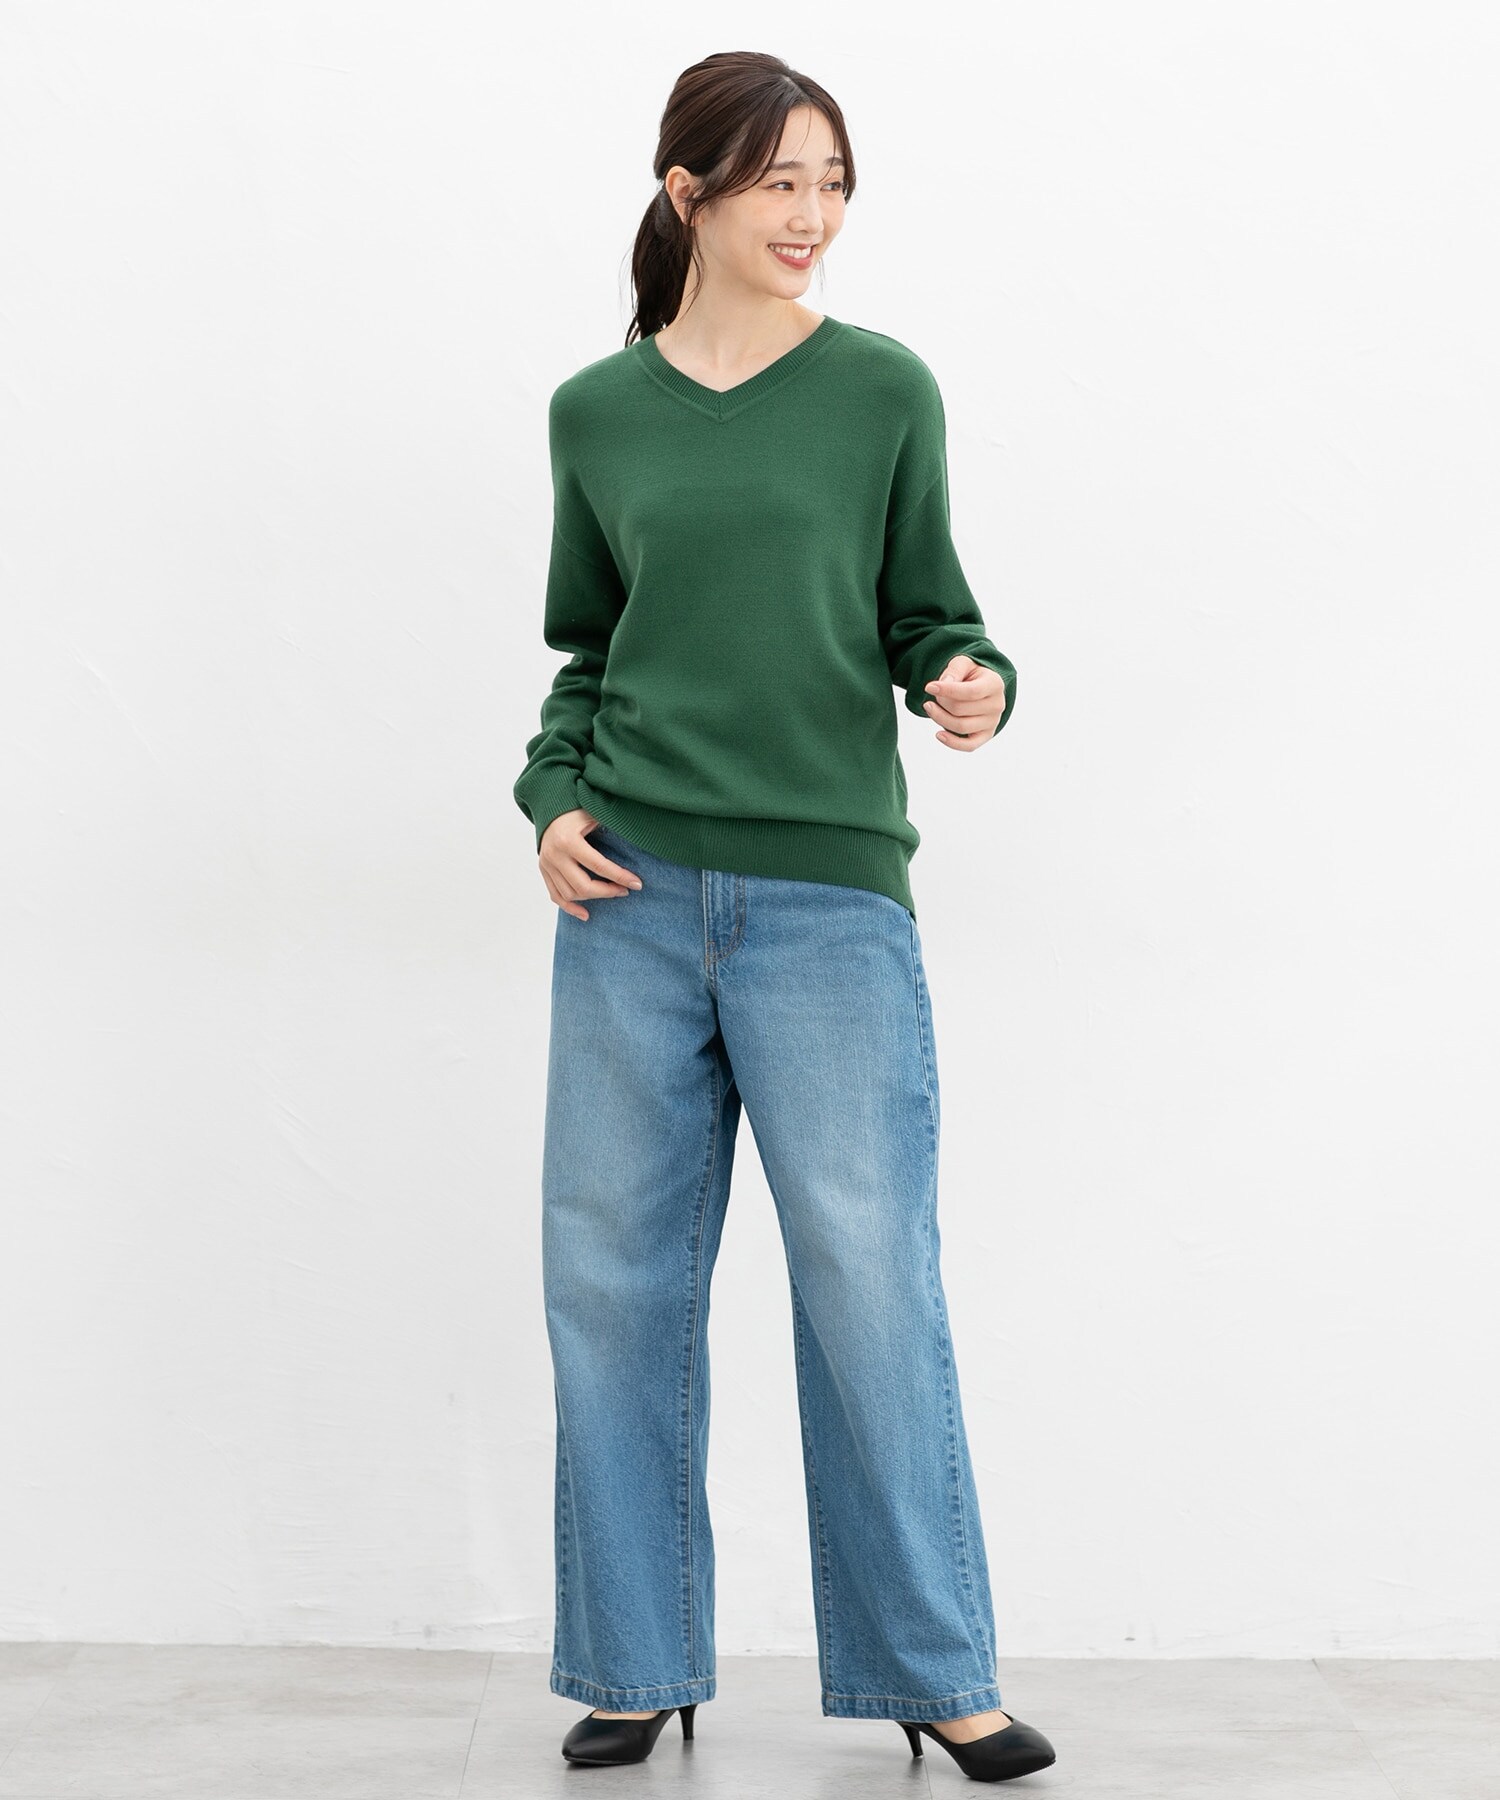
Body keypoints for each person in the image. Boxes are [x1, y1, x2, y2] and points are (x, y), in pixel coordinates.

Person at [513, 50, 1057, 1783]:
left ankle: (933, 1672)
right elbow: (589, 652)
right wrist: (552, 798)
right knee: (610, 1285)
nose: (812, 215)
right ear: (688, 195)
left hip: (829, 903)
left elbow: (931, 615)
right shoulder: (597, 413)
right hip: (628, 898)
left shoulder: (883, 390)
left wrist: (969, 678)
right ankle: (633, 1662)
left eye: (832, 182)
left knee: (868, 1281)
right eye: (778, 183)